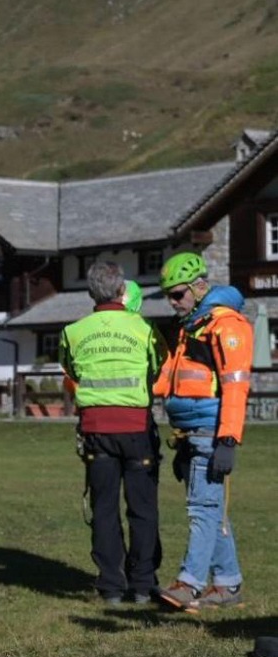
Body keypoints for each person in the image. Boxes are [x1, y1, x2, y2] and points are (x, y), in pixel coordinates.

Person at [59, 261, 166, 605]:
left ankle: (110, 586)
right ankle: (143, 584)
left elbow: (70, 370)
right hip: (136, 426)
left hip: (96, 429)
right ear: (123, 291)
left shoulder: (73, 332)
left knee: (104, 508)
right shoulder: (145, 328)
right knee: (143, 509)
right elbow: (157, 366)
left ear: (91, 293)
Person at [153, 251, 253, 612]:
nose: (173, 302)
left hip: (211, 431)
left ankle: (189, 583)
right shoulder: (194, 324)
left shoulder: (226, 325)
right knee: (213, 511)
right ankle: (228, 584)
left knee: (202, 509)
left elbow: (236, 386)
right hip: (190, 432)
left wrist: (228, 440)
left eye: (178, 293)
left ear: (199, 286)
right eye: (169, 295)